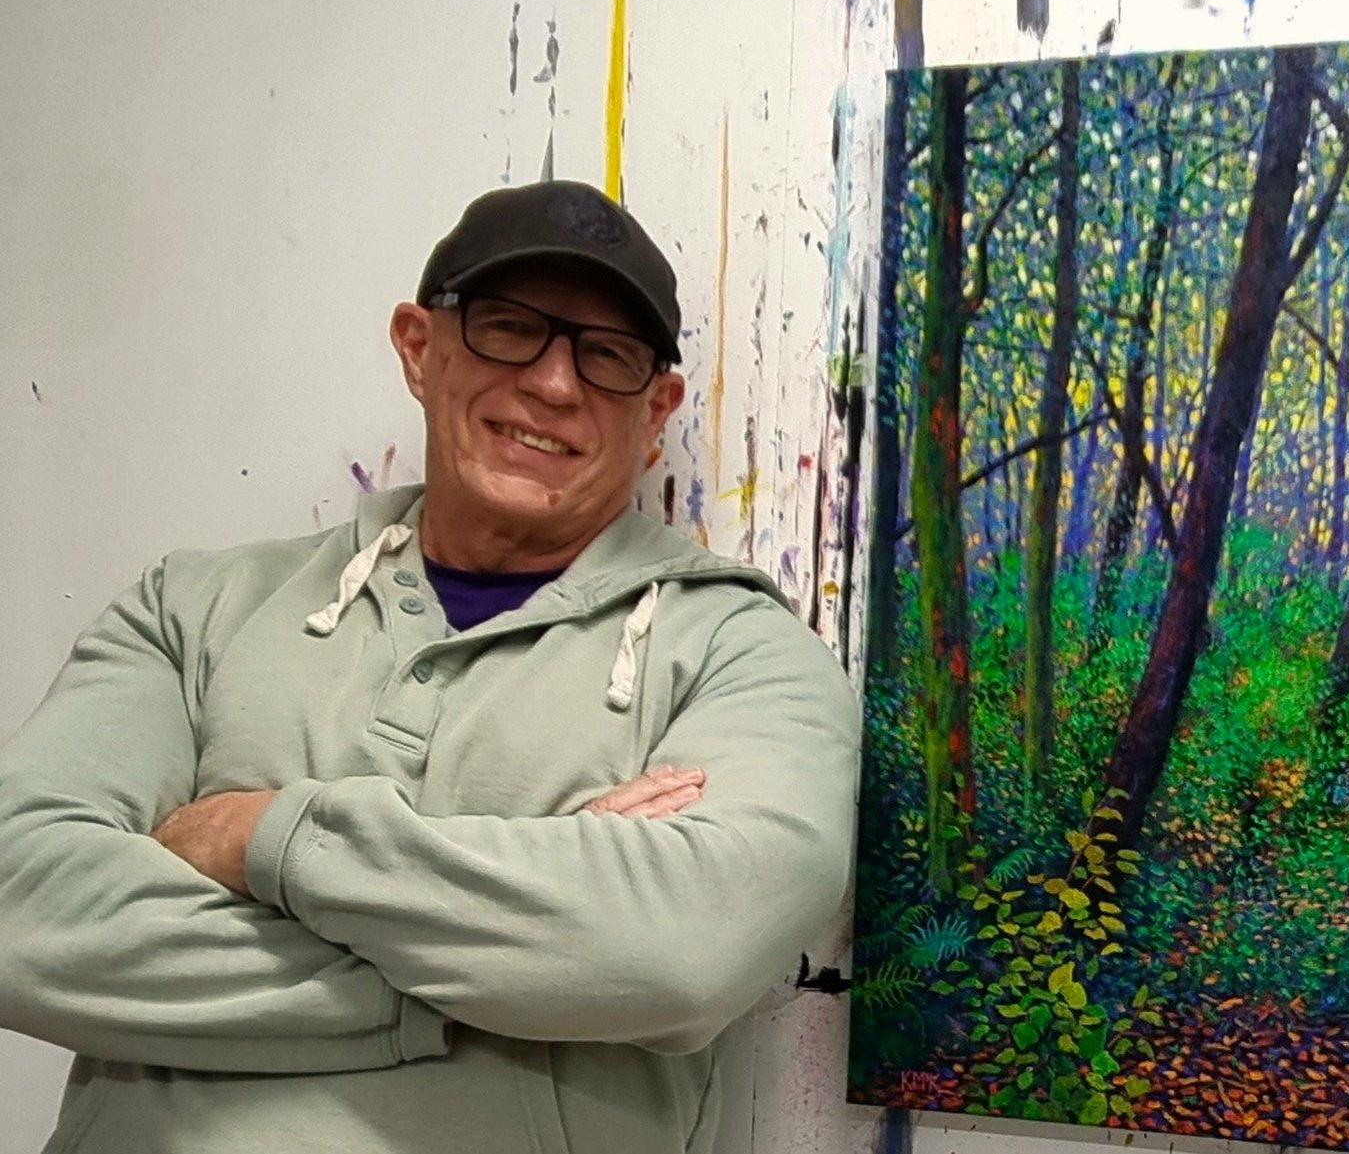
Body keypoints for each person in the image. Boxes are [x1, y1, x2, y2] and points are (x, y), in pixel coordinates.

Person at [0, 180, 860, 1154]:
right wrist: (512, 959)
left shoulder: (743, 648)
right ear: (419, 345)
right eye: (508, 328)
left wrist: (261, 840)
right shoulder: (194, 607)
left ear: (656, 408)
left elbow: (680, 950)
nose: (554, 384)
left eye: (608, 355)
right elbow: (19, 902)